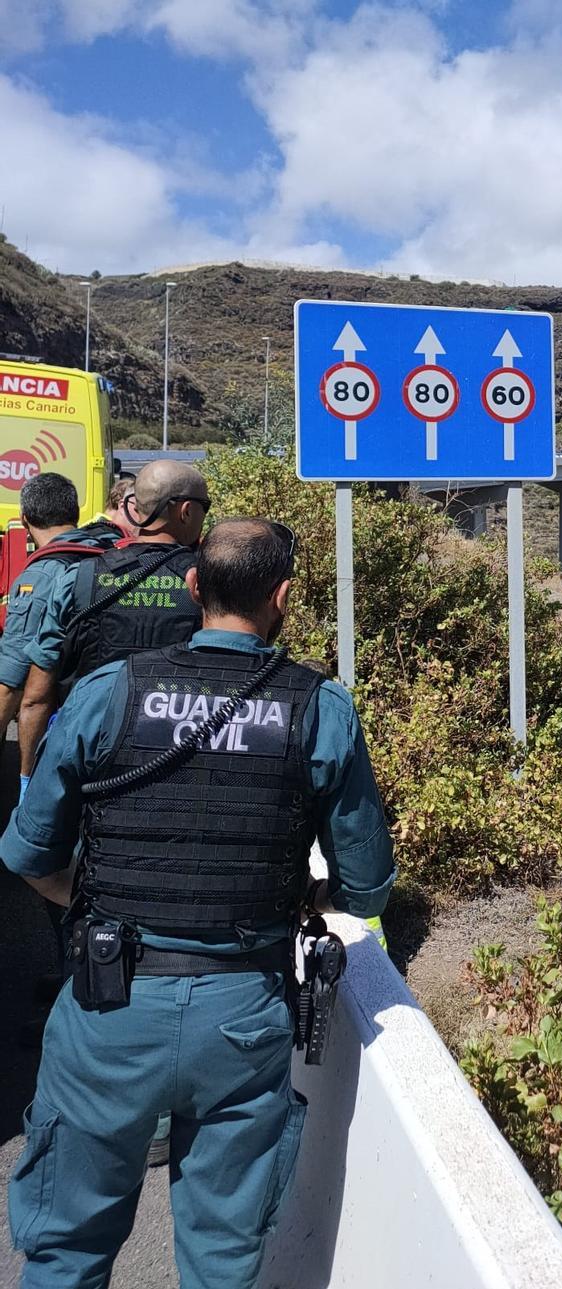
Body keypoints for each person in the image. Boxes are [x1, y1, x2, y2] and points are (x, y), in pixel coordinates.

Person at [2, 518, 395, 1289]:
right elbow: (368, 883)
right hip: (244, 1016)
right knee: (222, 1263)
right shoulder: (320, 706)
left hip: (107, 1005)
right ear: (284, 595)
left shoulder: (111, 690)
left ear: (192, 585)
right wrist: (309, 891)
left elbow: (27, 853)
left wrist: (97, 899)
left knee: (65, 1251)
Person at [17, 459, 209, 782]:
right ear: (187, 511)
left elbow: (36, 698)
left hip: (89, 758)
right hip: (173, 762)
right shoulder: (207, 584)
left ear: (135, 508)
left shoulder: (78, 577)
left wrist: (27, 782)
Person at [0, 474, 121, 740]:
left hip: (67, 725)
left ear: (24, 519)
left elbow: (12, 682)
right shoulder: (114, 555)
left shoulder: (41, 576)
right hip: (119, 712)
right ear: (75, 513)